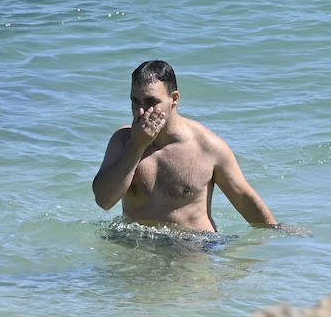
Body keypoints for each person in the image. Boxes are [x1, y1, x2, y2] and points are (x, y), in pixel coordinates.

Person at [93, 60, 277, 232]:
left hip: (191, 248)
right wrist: (136, 145)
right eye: (135, 101)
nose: (141, 111)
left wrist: (278, 234)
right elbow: (104, 201)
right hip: (135, 246)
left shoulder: (207, 146)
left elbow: (244, 199)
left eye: (151, 102)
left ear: (174, 98)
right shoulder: (123, 141)